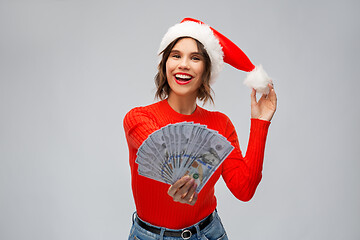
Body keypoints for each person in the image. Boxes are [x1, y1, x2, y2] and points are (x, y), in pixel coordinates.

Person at [123, 18, 277, 240]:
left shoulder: (221, 125)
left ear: (206, 70)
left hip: (208, 233)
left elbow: (244, 189)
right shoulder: (138, 118)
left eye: (195, 58)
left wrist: (260, 122)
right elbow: (166, 158)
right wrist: (187, 179)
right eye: (176, 55)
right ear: (165, 64)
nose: (183, 64)